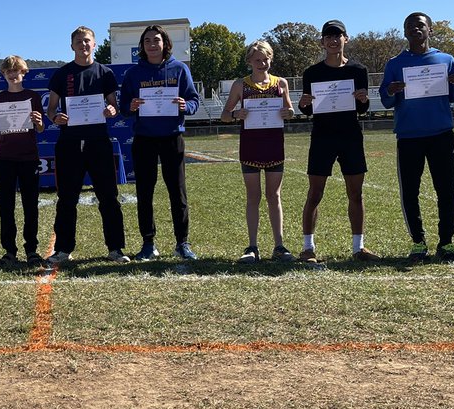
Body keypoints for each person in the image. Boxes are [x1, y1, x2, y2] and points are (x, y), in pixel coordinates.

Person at [379, 13, 454, 262]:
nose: (415, 29)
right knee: (410, 191)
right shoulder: (395, 63)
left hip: (441, 134)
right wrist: (391, 90)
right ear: (405, 32)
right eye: (410, 26)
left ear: (430, 30)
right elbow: (386, 100)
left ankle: (447, 242)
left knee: (447, 191)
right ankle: (418, 243)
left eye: (420, 25)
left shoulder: (445, 59)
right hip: (409, 136)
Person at [46, 26, 129, 266]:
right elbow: (51, 108)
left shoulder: (104, 73)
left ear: (94, 44)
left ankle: (115, 248)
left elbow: (114, 106)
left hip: (98, 142)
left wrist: (111, 109)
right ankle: (62, 249)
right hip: (69, 143)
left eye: (87, 41)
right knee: (67, 198)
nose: (83, 45)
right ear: (72, 46)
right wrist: (55, 117)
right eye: (79, 42)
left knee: (109, 197)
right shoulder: (62, 74)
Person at [297, 20, 377, 263]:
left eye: (338, 35)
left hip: (350, 136)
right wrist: (303, 105)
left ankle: (358, 247)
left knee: (355, 193)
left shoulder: (358, 70)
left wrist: (363, 99)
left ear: (346, 39)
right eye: (328, 36)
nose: (333, 40)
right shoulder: (312, 73)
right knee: (315, 193)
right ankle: (308, 248)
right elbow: (309, 110)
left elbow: (362, 108)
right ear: (322, 42)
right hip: (322, 136)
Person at [119, 24, 201, 261]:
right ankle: (148, 243)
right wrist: (130, 106)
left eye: (156, 40)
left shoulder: (179, 68)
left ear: (165, 43)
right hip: (144, 138)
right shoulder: (134, 74)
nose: (152, 44)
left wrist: (187, 106)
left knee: (178, 192)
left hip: (172, 137)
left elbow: (193, 98)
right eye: (147, 41)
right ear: (141, 46)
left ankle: (182, 243)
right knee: (145, 193)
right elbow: (124, 107)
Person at [220, 40, 295, 263]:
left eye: (266, 59)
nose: (262, 63)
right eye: (258, 60)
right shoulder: (239, 85)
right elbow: (225, 114)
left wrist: (287, 112)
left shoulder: (280, 83)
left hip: (274, 144)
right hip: (251, 145)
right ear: (249, 61)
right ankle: (252, 246)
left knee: (275, 196)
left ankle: (279, 246)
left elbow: (290, 109)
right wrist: (235, 115)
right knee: (253, 196)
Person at [0, 55, 46, 267]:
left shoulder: (33, 96)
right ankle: (9, 251)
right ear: (3, 74)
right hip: (4, 158)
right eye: (8, 71)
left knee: (31, 206)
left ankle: (32, 250)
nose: (13, 75)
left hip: (28, 157)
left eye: (17, 71)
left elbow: (40, 129)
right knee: (6, 206)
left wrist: (38, 122)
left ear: (24, 73)